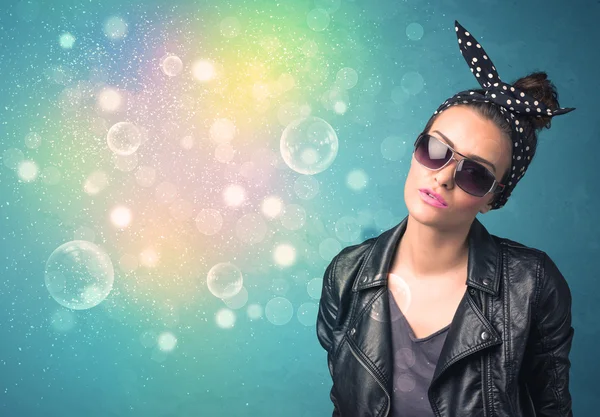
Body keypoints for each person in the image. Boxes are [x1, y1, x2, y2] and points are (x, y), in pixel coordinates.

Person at [316, 20, 576, 417]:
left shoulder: (533, 285)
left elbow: (553, 409)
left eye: (475, 174)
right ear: (415, 148)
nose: (443, 176)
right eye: (435, 149)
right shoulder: (345, 275)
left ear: (494, 199)